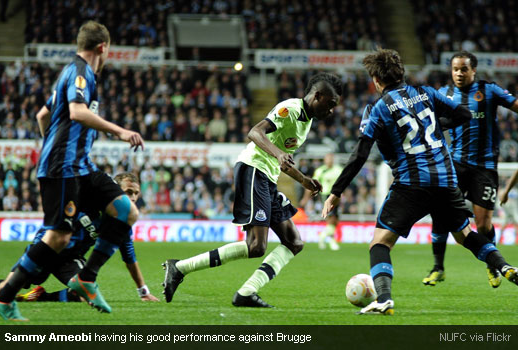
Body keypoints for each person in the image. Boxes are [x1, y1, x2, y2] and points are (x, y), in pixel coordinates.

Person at [322, 49, 518, 315]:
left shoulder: (378, 108)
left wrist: (336, 192)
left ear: (377, 80)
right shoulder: (426, 93)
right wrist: (436, 126)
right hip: (446, 179)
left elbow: (360, 154)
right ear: (401, 72)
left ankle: (383, 298)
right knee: (465, 235)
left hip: (412, 182)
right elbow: (464, 115)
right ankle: (504, 266)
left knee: (380, 243)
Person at [0, 21, 144, 321]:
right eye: (108, 50)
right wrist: (119, 131)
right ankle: (5, 297)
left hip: (78, 164)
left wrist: (51, 142)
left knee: (126, 210)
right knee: (58, 237)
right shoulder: (80, 72)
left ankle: (87, 278)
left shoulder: (70, 72)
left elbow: (43, 114)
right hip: (64, 165)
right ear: (103, 47)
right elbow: (77, 112)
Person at [162, 73, 342, 307]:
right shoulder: (290, 108)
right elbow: (255, 132)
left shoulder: (305, 122)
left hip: (268, 177)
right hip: (253, 169)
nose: (331, 111)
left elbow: (282, 160)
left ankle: (246, 292)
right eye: (330, 104)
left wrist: (303, 180)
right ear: (317, 96)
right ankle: (181, 268)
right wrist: (278, 154)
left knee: (294, 242)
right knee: (256, 246)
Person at [422, 51, 518, 288]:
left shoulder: (489, 90)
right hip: (455, 164)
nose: (459, 73)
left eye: (464, 69)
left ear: (473, 70)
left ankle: (492, 264)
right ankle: (438, 267)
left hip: (485, 166)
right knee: (440, 212)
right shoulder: (444, 94)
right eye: (455, 69)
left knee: (483, 224)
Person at [1, 172, 159, 304]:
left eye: (136, 193)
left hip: (70, 259)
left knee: (85, 294)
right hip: (49, 247)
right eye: (128, 192)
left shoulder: (121, 222)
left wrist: (143, 292)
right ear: (116, 191)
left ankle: (41, 297)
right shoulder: (92, 200)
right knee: (9, 286)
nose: (132, 198)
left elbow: (129, 257)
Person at [300, 153, 343, 250]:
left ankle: (328, 238)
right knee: (331, 218)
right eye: (328, 158)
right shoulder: (320, 171)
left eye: (331, 158)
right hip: (327, 195)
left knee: (335, 220)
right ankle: (325, 238)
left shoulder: (338, 170)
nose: (329, 160)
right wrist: (305, 198)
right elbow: (312, 185)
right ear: (324, 160)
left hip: (337, 196)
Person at [499, 170, 518, 242]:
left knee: (516, 224)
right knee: (503, 225)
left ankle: (516, 240)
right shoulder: (503, 191)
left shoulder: (515, 191)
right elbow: (500, 201)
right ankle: (499, 239)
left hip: (513, 210)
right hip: (506, 211)